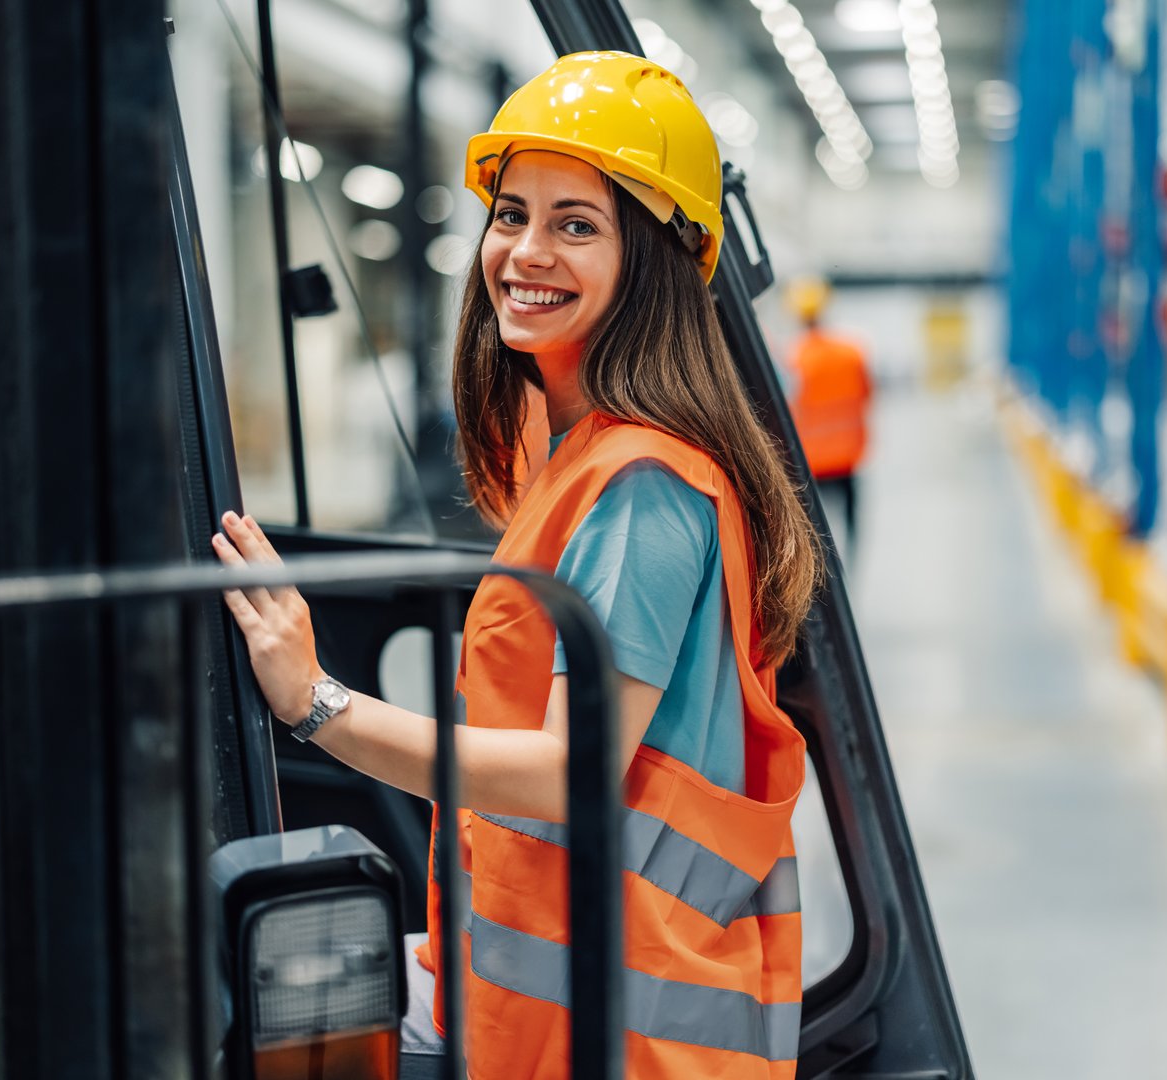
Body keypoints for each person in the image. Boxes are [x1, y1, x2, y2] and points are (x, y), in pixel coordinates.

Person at [212, 51, 821, 1080]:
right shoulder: (578, 450)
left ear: (658, 261)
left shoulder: (644, 487)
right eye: (510, 214)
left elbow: (567, 774)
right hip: (552, 1000)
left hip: (629, 1036)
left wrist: (316, 703)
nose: (523, 251)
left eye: (575, 224)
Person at [783, 278, 873, 544]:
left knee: (816, 535)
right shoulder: (852, 353)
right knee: (851, 526)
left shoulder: (793, 360)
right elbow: (866, 395)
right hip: (848, 456)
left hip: (812, 462)